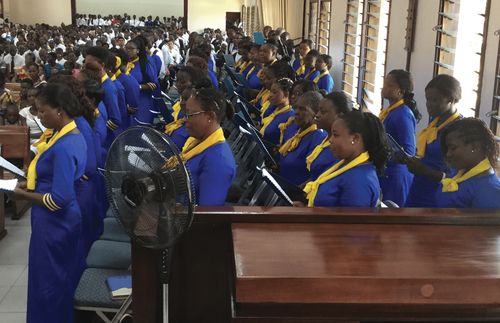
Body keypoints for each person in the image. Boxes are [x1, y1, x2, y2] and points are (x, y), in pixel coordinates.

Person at [12, 83, 87, 323]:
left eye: (42, 111)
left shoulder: (64, 146)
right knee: (55, 277)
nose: (39, 116)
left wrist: (21, 196)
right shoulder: (64, 135)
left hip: (55, 222)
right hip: (56, 220)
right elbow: (52, 177)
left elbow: (58, 200)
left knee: (49, 282)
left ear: (59, 111)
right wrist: (28, 184)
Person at [299, 110, 389, 207]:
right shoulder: (342, 163)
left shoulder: (358, 181)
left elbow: (349, 221)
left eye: (335, 135)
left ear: (354, 138)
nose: (330, 140)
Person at [405, 74, 462, 207]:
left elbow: (456, 176)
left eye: (434, 100)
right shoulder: (435, 121)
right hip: (419, 186)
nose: (428, 105)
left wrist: (426, 171)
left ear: (451, 100)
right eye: (427, 100)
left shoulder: (458, 129)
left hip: (437, 193)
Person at [179, 87, 236, 205]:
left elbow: (207, 215)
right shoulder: (196, 142)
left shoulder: (218, 161)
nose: (185, 120)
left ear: (210, 117)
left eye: (190, 115)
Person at [435, 118, 500, 208]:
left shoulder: (490, 190)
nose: (448, 154)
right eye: (447, 149)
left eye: (453, 148)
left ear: (474, 147)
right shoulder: (460, 173)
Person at [378, 69, 419, 206]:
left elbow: (409, 150)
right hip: (386, 170)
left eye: (389, 85)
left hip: (396, 174)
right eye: (385, 83)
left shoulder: (403, 114)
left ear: (400, 91)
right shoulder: (390, 111)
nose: (384, 87)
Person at [278, 91, 327, 185]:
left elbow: (314, 175)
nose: (296, 112)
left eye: (302, 109)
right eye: (296, 108)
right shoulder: (298, 131)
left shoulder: (318, 138)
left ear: (316, 112)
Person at [307, 92, 351, 180]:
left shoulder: (340, 149)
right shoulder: (325, 139)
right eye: (318, 111)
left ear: (339, 116)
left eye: (323, 112)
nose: (317, 115)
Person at [125, 38, 159, 124]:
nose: (128, 51)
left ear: (138, 50)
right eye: (127, 48)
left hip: (142, 100)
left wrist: (138, 87)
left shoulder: (145, 64)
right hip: (126, 101)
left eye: (131, 49)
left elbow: (154, 84)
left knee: (140, 129)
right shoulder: (123, 63)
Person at [260, 78, 295, 146]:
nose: (270, 95)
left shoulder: (290, 116)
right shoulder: (276, 108)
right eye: (270, 91)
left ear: (286, 94)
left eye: (274, 92)